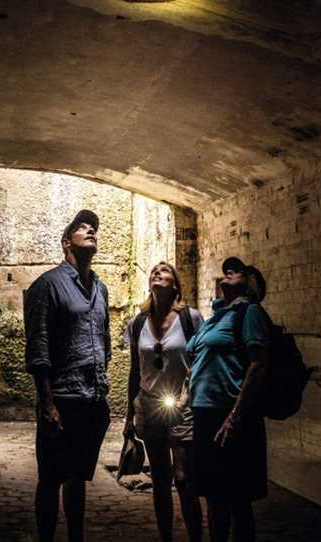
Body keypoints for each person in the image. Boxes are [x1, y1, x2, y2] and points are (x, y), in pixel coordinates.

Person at [24, 209, 111, 542]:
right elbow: (39, 347)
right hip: (61, 398)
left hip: (92, 399)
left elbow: (103, 337)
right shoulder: (47, 285)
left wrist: (102, 380)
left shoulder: (100, 288)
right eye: (82, 228)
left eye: (94, 228)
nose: (91, 230)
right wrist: (47, 403)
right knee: (50, 477)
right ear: (66, 243)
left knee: (78, 477)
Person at [186, 257, 270, 542]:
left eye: (238, 271)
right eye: (226, 270)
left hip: (231, 415)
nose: (229, 271)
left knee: (236, 500)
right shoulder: (215, 318)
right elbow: (197, 356)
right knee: (213, 496)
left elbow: (257, 365)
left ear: (252, 285)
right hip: (205, 415)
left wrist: (234, 418)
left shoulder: (250, 313)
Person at [123, 262, 204, 542]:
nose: (158, 272)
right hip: (149, 406)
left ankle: (195, 536)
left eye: (165, 270)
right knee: (160, 480)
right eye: (154, 271)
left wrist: (187, 397)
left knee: (184, 479)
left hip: (182, 407)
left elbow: (200, 364)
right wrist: (127, 418)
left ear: (176, 285)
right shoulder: (137, 323)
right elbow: (135, 371)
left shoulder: (190, 319)